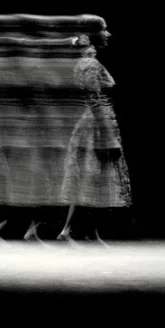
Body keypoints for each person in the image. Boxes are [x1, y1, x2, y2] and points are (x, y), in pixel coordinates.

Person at [56, 22, 132, 244]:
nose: (108, 34)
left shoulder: (87, 63)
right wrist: (107, 134)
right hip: (96, 124)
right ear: (90, 39)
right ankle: (69, 230)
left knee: (94, 175)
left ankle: (88, 231)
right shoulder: (90, 64)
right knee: (94, 174)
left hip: (95, 122)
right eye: (104, 31)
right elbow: (95, 97)